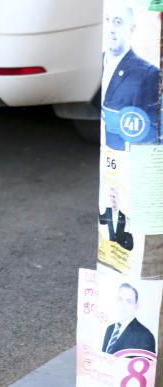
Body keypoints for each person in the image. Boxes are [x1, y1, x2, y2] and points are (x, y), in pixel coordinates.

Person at [102, 0, 161, 150]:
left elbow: (152, 132)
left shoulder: (148, 73)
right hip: (109, 163)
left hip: (134, 163)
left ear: (132, 28)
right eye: (107, 20)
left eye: (118, 22)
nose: (111, 28)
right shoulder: (101, 61)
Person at [102, 282, 156, 354]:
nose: (123, 305)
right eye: (120, 299)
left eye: (128, 301)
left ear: (136, 306)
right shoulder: (110, 329)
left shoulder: (145, 336)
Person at [99, 186, 134, 250]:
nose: (112, 199)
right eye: (110, 196)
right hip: (110, 248)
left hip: (121, 250)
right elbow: (101, 221)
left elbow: (129, 241)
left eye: (114, 196)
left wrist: (121, 246)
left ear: (119, 198)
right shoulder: (108, 211)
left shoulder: (124, 215)